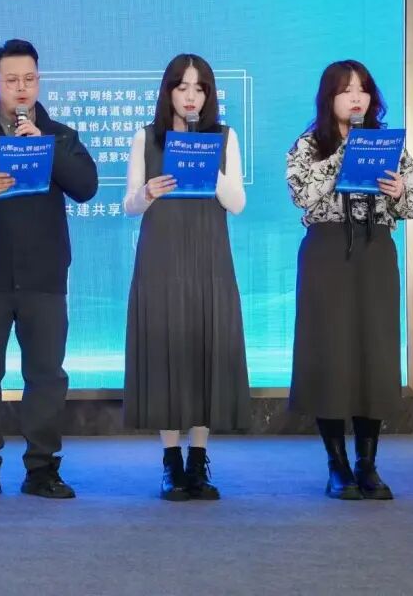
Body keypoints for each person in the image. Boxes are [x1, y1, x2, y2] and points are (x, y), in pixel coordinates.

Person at [0, 38, 98, 501]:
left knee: (46, 377)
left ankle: (42, 469)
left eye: (29, 79)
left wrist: (45, 148)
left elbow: (86, 186)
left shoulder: (59, 135)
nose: (21, 88)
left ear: (39, 82)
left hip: (44, 278)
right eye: (11, 80)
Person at [286, 59, 413, 500]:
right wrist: (342, 157)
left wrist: (400, 191)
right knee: (330, 353)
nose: (356, 98)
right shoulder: (310, 144)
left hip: (375, 250)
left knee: (374, 353)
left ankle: (368, 463)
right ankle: (337, 465)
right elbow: (303, 194)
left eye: (362, 89)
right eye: (346, 90)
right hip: (327, 252)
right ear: (329, 98)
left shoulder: (387, 144)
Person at [122, 54, 250, 501]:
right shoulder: (147, 137)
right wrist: (147, 192)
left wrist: (209, 169)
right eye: (182, 87)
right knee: (166, 353)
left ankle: (199, 461)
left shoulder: (224, 137)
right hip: (161, 257)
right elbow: (129, 205)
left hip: (209, 256)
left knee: (204, 352)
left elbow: (237, 202)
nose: (191, 96)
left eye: (199, 88)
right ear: (169, 92)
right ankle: (170, 462)